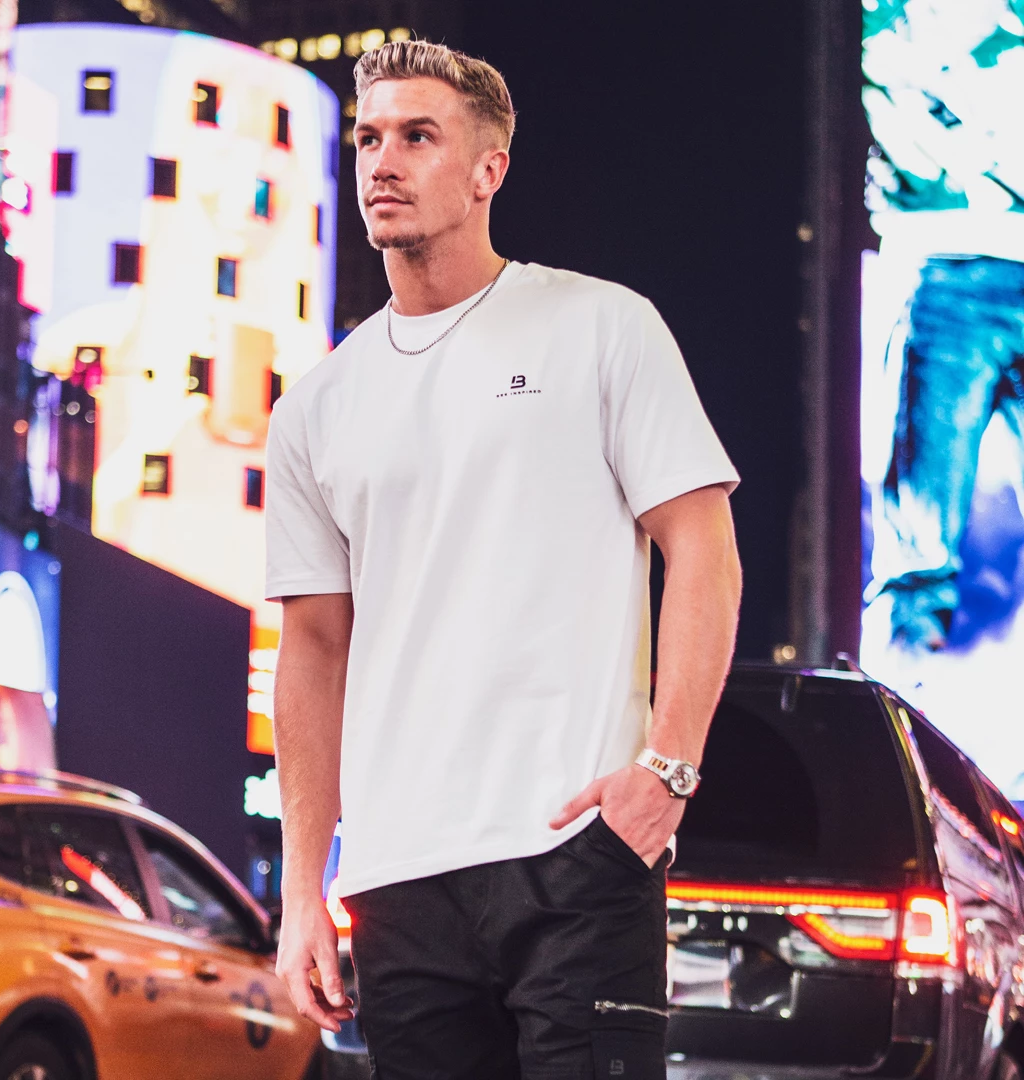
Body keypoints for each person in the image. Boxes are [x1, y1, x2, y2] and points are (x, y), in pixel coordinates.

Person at [265, 40, 742, 1078]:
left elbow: (703, 547)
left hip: (576, 851)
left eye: (417, 136)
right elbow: (313, 649)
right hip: (397, 878)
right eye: (368, 139)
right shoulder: (313, 409)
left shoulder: (601, 327)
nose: (383, 162)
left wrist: (667, 771)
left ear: (489, 169)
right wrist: (304, 891)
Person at [863, 0, 1024, 650]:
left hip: (949, 254)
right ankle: (898, 697)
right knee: (918, 553)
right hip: (940, 258)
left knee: (918, 554)